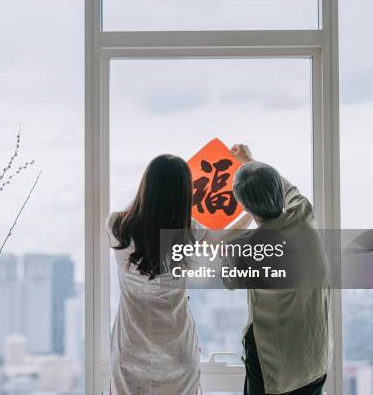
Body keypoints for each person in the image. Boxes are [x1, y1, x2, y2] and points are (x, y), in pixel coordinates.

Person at [106, 154, 251, 395]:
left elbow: (143, 220)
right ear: (183, 194)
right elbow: (227, 238)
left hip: (129, 351)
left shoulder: (116, 226)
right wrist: (248, 208)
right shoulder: (188, 232)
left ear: (145, 185)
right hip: (178, 354)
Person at [228, 144, 332, 395]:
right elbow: (287, 188)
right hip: (314, 359)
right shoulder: (304, 214)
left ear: (243, 205)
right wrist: (250, 161)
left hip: (275, 368)